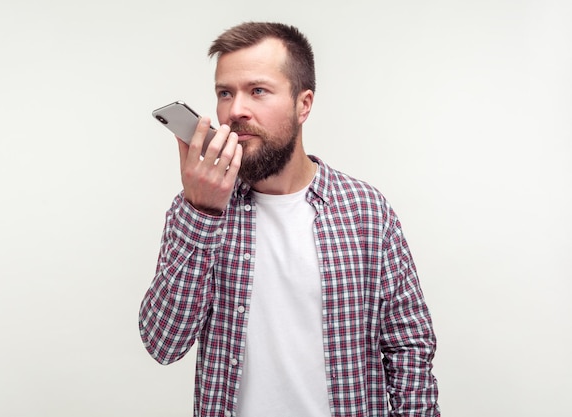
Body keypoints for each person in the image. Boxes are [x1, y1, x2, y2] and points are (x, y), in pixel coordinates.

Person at [139, 21, 440, 417]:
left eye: (258, 91)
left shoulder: (366, 212)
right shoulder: (195, 209)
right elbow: (164, 344)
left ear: (304, 104)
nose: (235, 111)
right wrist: (202, 213)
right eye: (225, 93)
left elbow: (409, 346)